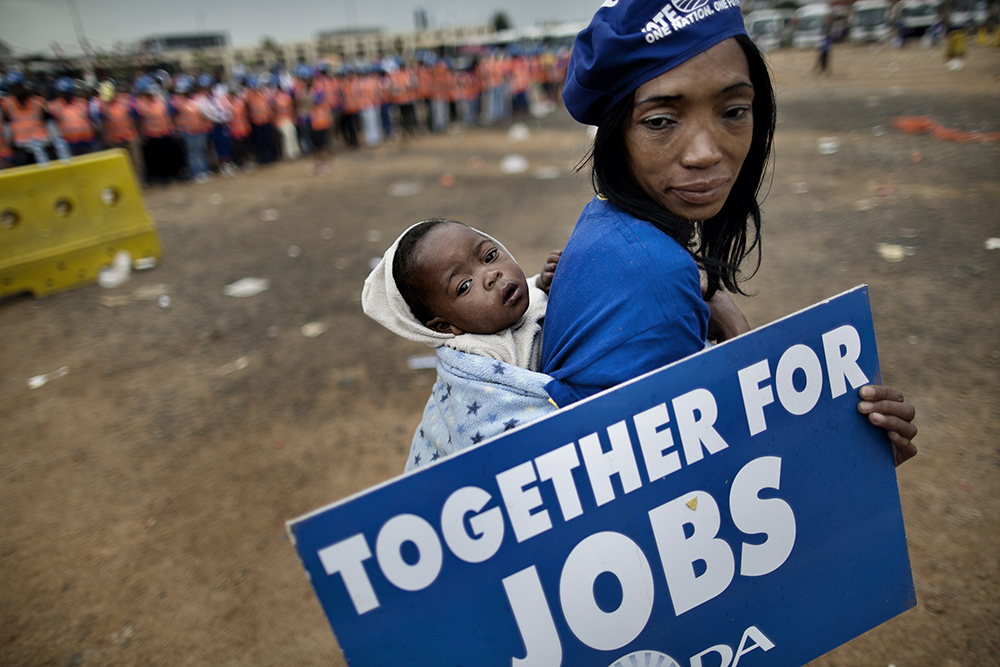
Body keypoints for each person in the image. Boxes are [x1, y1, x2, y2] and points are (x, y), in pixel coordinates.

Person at [541, 0, 917, 466]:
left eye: (734, 111)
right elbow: (682, 499)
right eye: (660, 121)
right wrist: (849, 460)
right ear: (616, 134)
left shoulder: (607, 220)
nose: (704, 152)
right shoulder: (657, 271)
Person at [362, 220, 561, 470]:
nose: (491, 275)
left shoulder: (517, 299)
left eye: (489, 256)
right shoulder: (474, 367)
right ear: (445, 326)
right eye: (464, 286)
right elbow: (500, 439)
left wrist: (544, 284)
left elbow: (532, 299)